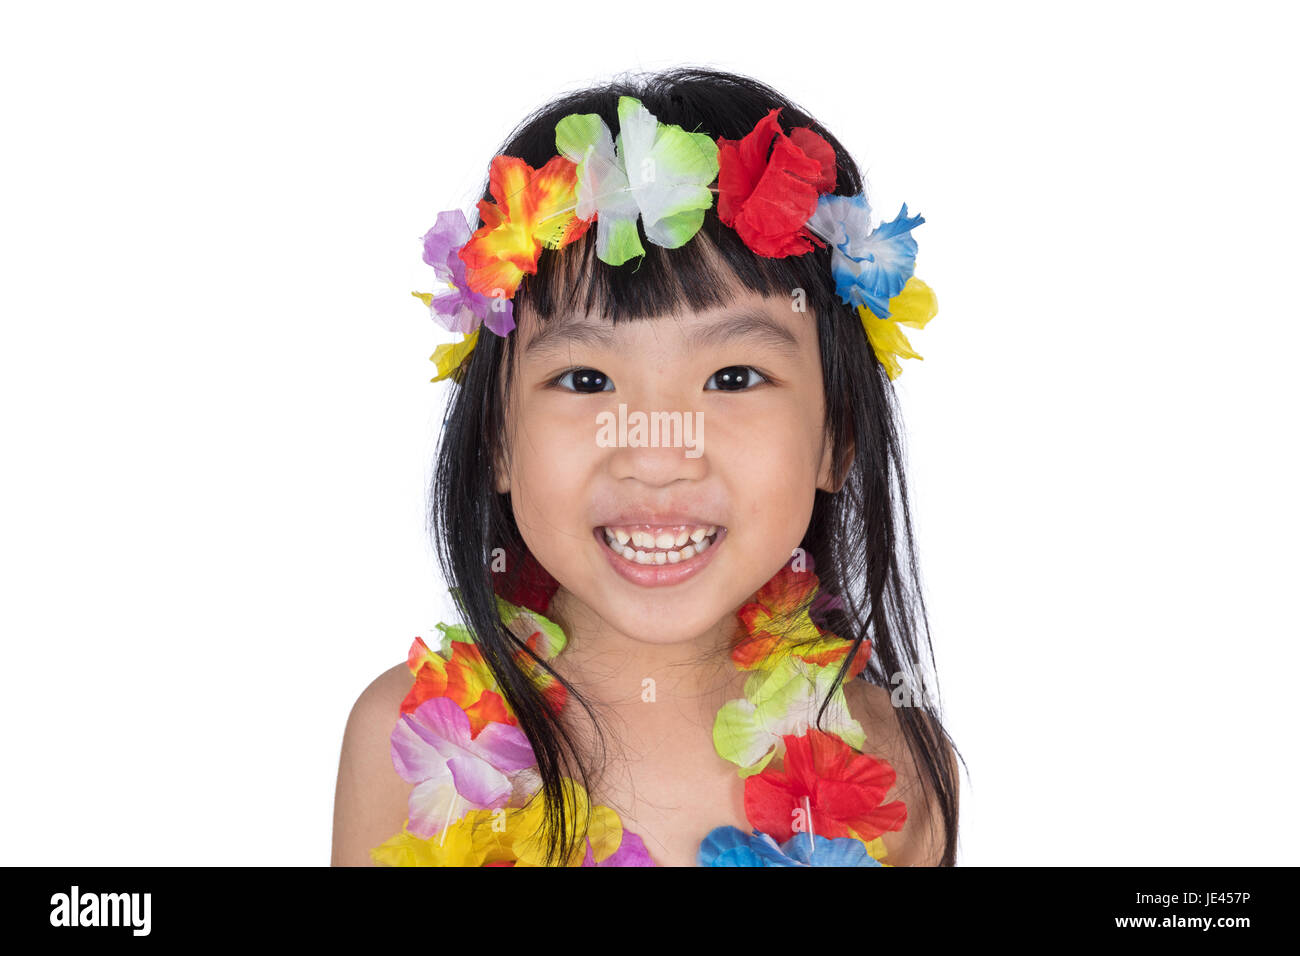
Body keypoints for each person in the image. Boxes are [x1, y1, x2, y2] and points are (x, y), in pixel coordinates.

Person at [331, 66, 962, 867]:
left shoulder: (899, 765)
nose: (658, 453)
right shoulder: (407, 736)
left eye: (733, 378)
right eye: (586, 380)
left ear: (837, 438)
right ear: (495, 437)